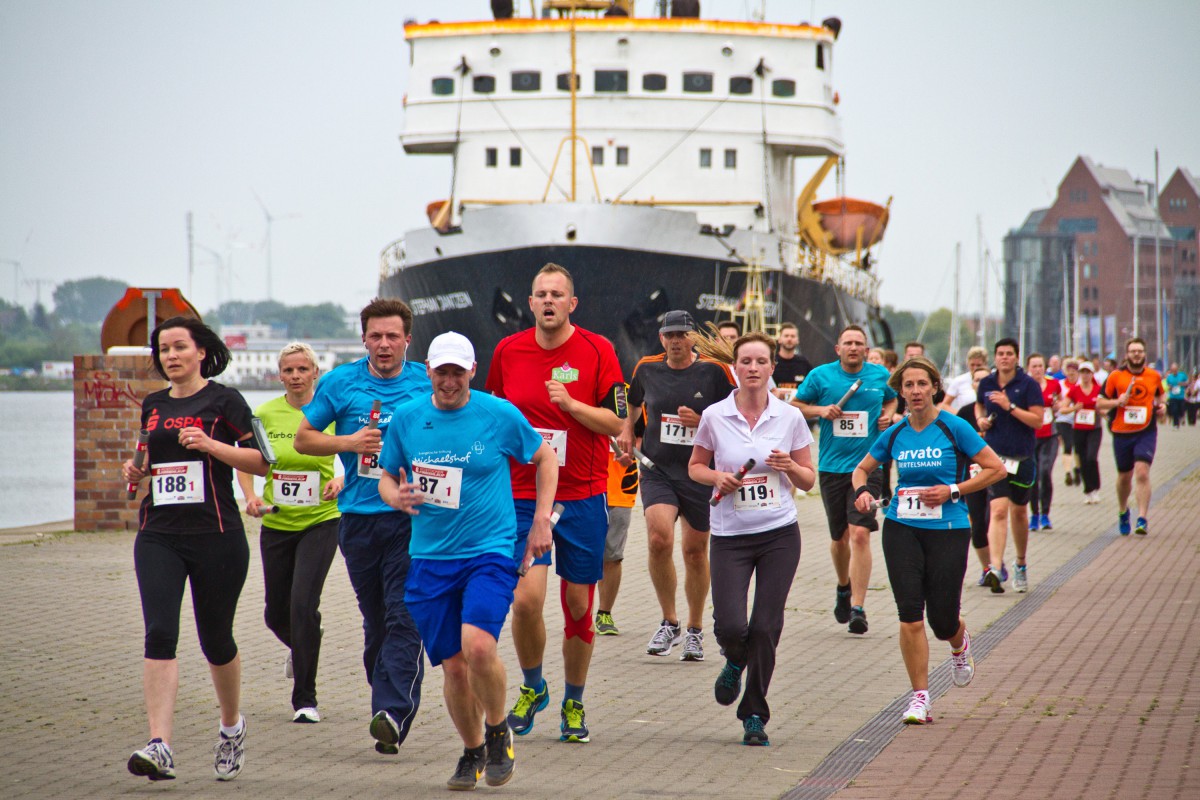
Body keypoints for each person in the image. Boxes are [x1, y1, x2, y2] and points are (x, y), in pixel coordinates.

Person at [378, 332, 559, 790]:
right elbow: (385, 474)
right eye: (442, 371)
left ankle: (498, 732)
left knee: (479, 647)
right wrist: (395, 496)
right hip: (430, 558)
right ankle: (472, 749)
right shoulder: (408, 418)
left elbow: (545, 458)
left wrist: (541, 520)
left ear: (472, 371)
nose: (450, 380)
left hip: (490, 552)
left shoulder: (496, 414)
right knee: (455, 668)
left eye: (458, 371)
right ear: (429, 371)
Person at [122, 316, 269, 782]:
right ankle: (160, 744)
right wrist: (136, 470)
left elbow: (264, 461)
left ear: (201, 351)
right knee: (160, 633)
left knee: (215, 640)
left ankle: (230, 727)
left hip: (217, 536)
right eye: (163, 350)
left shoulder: (226, 400)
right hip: (159, 534)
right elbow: (147, 454)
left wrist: (210, 444)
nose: (171, 356)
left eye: (179, 347)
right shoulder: (153, 403)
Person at [486, 263, 626, 744]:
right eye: (540, 294)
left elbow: (616, 424)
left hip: (583, 495)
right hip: (523, 496)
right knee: (525, 601)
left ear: (572, 303)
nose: (548, 301)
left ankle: (574, 700)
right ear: (530, 304)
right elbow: (490, 418)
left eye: (557, 294)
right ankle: (533, 686)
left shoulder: (598, 350)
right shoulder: (508, 350)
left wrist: (571, 406)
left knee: (577, 604)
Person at [294, 298, 432, 755]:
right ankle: (386, 709)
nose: (385, 344)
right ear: (364, 339)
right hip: (357, 519)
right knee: (375, 622)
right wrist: (348, 442)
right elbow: (304, 439)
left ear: (408, 339)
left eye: (393, 336)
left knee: (402, 613)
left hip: (411, 518)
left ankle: (392, 711)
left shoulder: (425, 382)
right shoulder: (339, 382)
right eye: (376, 336)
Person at [852, 356, 1004, 725]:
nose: (916, 391)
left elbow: (995, 468)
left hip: (949, 530)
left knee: (942, 619)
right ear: (900, 391)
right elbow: (863, 468)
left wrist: (953, 489)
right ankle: (920, 697)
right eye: (908, 385)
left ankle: (958, 644)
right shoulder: (895, 433)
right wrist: (862, 492)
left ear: (935, 387)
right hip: (902, 527)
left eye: (922, 384)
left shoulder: (955, 428)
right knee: (909, 615)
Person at [688, 332, 815, 746]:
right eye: (746, 361)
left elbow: (809, 479)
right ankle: (733, 659)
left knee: (765, 626)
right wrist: (717, 477)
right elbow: (695, 467)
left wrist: (788, 468)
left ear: (772, 368)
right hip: (729, 536)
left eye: (762, 361)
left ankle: (755, 713)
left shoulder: (790, 417)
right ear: (735, 368)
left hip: (779, 533)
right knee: (730, 625)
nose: (754, 368)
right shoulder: (714, 416)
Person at [618, 309, 735, 660]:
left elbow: (735, 418)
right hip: (658, 468)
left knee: (695, 551)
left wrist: (701, 422)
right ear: (661, 338)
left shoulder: (715, 372)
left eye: (682, 335)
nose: (675, 342)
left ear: (692, 338)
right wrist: (627, 434)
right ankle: (669, 621)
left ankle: (696, 629)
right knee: (658, 538)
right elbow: (634, 405)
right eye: (669, 335)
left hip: (700, 471)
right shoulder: (647, 368)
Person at [237, 342, 343, 724]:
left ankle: (305, 700)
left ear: (316, 373)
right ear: (279, 375)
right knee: (274, 613)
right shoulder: (264, 414)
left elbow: (351, 454)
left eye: (303, 369)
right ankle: (303, 644)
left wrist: (342, 481)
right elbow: (250, 462)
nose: (296, 376)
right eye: (289, 370)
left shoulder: (329, 412)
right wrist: (249, 496)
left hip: (321, 520)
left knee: (302, 604)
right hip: (277, 523)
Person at [793, 325, 897, 634]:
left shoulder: (878, 375)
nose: (853, 347)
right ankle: (843, 585)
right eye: (848, 343)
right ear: (838, 348)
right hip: (831, 467)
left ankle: (858, 607)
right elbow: (796, 406)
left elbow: (891, 399)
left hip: (868, 467)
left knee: (860, 533)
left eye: (859, 344)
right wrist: (821, 410)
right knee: (839, 539)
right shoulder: (821, 376)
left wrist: (887, 414)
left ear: (866, 350)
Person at [976, 338, 1043, 593]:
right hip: (995, 459)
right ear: (994, 358)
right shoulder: (987, 383)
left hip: (1022, 457)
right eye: (1000, 353)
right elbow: (980, 407)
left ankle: (1021, 563)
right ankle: (995, 567)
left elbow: (1037, 420)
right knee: (998, 510)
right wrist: (981, 421)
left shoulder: (1028, 385)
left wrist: (1009, 406)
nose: (1004, 357)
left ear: (1016, 357)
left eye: (1009, 354)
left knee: (1018, 513)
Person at [1096, 338, 1165, 536]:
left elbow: (1161, 395)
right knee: (1124, 476)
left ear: (1144, 354)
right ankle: (1123, 510)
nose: (1136, 354)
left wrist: (1163, 406)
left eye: (1140, 351)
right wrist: (1117, 401)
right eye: (1133, 351)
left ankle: (1142, 518)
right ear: (1126, 355)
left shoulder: (1154, 376)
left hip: (1146, 431)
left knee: (1142, 472)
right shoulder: (1115, 377)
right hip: (1121, 432)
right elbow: (1100, 403)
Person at [957, 367, 998, 585]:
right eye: (976, 380)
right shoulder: (964, 413)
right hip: (971, 475)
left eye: (984, 380)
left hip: (997, 473)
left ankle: (997, 564)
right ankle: (987, 568)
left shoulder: (999, 410)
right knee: (978, 525)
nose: (980, 383)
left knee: (993, 518)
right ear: (972, 385)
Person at [595, 440, 637, 635]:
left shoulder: (634, 410)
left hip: (621, 487)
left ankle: (604, 613)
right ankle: (579, 612)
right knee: (582, 553)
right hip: (585, 484)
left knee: (612, 555)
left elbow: (645, 436)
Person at [1026, 353, 1062, 531]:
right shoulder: (1024, 387)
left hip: (1050, 435)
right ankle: (1034, 515)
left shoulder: (1054, 383)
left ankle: (1045, 514)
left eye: (1040, 366)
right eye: (1034, 366)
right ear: (1028, 368)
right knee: (1033, 477)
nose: (1038, 369)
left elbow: (1060, 402)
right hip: (1030, 437)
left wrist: (1057, 406)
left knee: (1045, 472)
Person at [1063, 360, 1103, 504]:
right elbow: (1063, 408)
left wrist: (1102, 410)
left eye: (1088, 372)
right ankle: (1088, 491)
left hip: (1094, 429)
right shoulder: (1075, 390)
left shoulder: (1098, 389)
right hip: (1078, 429)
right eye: (1083, 372)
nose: (1085, 375)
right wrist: (1075, 408)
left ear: (1092, 374)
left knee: (1091, 457)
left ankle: (1096, 488)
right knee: (1083, 460)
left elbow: (1106, 407)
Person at [1055, 359, 1081, 487]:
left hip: (1079, 420)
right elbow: (1056, 400)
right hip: (1063, 419)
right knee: (1068, 444)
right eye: (1069, 371)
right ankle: (1067, 472)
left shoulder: (1082, 385)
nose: (1072, 373)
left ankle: (1077, 468)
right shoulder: (1060, 385)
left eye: (1074, 371)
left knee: (1077, 446)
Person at [938, 346, 988, 412]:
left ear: (985, 364)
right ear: (967, 364)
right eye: (972, 365)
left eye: (978, 365)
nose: (975, 368)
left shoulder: (991, 380)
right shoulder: (959, 381)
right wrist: (960, 415)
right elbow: (944, 405)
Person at [772, 322, 813, 396]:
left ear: (797, 340)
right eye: (786, 336)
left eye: (793, 336)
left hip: (797, 406)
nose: (789, 339)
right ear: (779, 339)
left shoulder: (804, 363)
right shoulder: (771, 363)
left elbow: (812, 387)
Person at [1165, 362, 1189, 428]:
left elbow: (1187, 382)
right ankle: (1175, 424)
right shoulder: (1169, 377)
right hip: (1173, 396)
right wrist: (1170, 387)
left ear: (1177, 369)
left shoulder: (1182, 375)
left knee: (1181, 410)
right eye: (1173, 370)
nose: (1174, 371)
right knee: (1174, 410)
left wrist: (1182, 384)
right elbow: (1168, 385)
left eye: (1175, 369)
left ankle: (1181, 417)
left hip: (1181, 396)